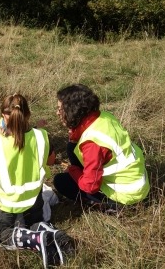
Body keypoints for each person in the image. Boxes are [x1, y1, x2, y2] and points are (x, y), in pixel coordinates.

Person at [0, 94, 74, 268]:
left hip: (7, 202)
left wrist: (1, 139)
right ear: (29, 115)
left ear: (3, 116)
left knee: (2, 234)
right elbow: (50, 160)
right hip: (34, 198)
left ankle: (35, 239)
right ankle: (46, 230)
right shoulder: (42, 137)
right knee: (34, 222)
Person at [53, 84, 150, 214]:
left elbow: (90, 186)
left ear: (72, 110)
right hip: (136, 182)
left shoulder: (92, 144)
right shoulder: (103, 116)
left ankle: (107, 205)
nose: (57, 113)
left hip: (125, 196)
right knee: (72, 147)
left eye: (60, 109)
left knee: (60, 181)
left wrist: (73, 171)